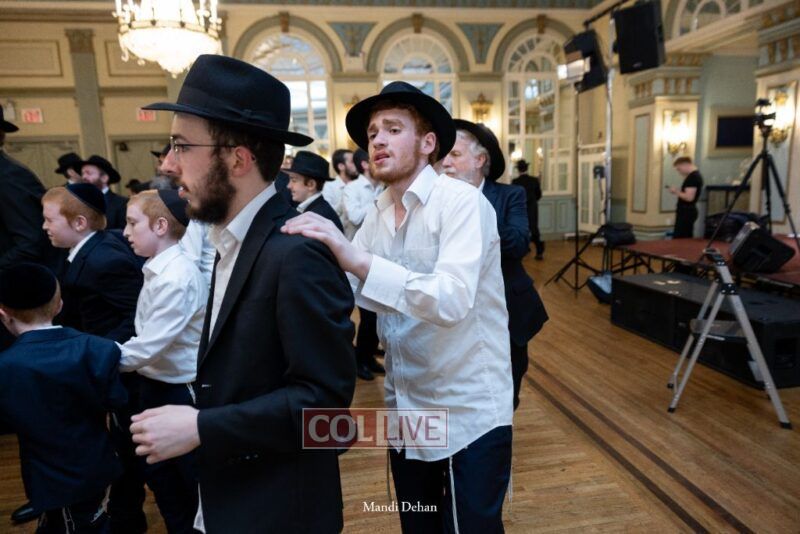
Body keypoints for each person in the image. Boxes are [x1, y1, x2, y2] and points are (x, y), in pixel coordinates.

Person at [128, 54, 357, 533]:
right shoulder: (228, 241)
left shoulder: (295, 253)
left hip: (280, 511)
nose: (168, 164)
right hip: (233, 496)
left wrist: (200, 427)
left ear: (238, 158)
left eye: (181, 146)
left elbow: (326, 413)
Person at [284, 81, 514, 532]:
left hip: (467, 408)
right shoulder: (377, 213)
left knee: (471, 528)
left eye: (393, 129)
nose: (378, 141)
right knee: (419, 522)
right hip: (407, 404)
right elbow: (350, 287)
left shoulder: (463, 203)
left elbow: (451, 299)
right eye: (373, 133)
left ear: (428, 144)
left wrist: (355, 258)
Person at [41, 183, 147, 533]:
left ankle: (127, 516)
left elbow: (136, 317)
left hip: (119, 371)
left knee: (130, 450)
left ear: (79, 223)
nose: (44, 227)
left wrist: (94, 351)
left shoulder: (105, 260)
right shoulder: (85, 251)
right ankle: (124, 514)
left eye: (49, 220)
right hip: (104, 364)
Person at [0, 262, 128, 534]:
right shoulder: (99, 348)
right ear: (59, 305)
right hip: (98, 463)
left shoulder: (6, 366)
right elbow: (117, 400)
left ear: (4, 315)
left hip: (51, 478)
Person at [444, 119, 549, 410]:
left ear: (479, 160)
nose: (446, 162)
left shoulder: (509, 195)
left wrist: (474, 209)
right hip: (456, 313)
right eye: (444, 156)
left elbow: (518, 244)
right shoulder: (437, 201)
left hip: (506, 312)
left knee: (506, 392)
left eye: (455, 154)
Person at [120, 189, 206, 533]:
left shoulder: (176, 277)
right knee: (162, 477)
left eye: (132, 223)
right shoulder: (158, 268)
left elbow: (148, 347)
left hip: (179, 390)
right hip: (155, 383)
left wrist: (94, 357)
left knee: (188, 481)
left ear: (159, 226)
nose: (125, 232)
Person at [341, 148, 385, 380]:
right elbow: (355, 217)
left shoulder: (384, 187)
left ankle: (368, 357)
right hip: (355, 259)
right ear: (366, 164)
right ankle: (360, 361)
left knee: (378, 315)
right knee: (366, 316)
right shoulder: (353, 188)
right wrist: (381, 203)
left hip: (380, 259)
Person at [285, 150, 343, 231]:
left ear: (311, 184)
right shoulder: (315, 208)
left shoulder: (318, 217)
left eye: (294, 180)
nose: (288, 186)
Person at [81, 155, 129, 230]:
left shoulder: (121, 204)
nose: (84, 177)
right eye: (82, 173)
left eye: (88, 173)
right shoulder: (79, 202)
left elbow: (122, 232)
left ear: (104, 178)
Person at [512, 159, 544, 259]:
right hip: (532, 208)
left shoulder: (515, 182)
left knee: (521, 229)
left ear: (518, 170)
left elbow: (514, 197)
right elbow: (539, 195)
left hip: (520, 209)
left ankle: (524, 248)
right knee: (534, 229)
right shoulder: (534, 180)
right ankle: (539, 251)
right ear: (527, 168)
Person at [669, 156, 704, 238]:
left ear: (685, 164)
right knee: (683, 236)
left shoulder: (693, 177)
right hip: (687, 211)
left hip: (686, 212)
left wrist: (676, 191)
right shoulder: (694, 176)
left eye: (679, 169)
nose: (679, 172)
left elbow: (689, 198)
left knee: (681, 238)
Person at [322, 148, 357, 220]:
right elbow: (327, 214)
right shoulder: (329, 186)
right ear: (341, 166)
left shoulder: (359, 184)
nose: (357, 164)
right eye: (353, 162)